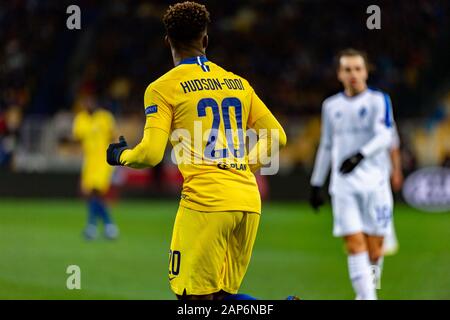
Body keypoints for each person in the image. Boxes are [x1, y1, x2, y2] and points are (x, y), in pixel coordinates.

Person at [106, 2, 291, 300]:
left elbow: (151, 154)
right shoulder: (237, 83)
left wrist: (120, 156)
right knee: (216, 295)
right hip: (248, 201)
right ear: (205, 40)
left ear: (167, 41)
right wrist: (242, 166)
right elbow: (277, 137)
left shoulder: (163, 88)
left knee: (192, 298)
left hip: (206, 201)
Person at [309, 49, 394, 300]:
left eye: (358, 68)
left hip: (376, 184)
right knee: (354, 244)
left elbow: (385, 135)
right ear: (339, 74)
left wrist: (360, 155)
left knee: (375, 250)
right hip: (343, 185)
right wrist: (316, 184)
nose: (353, 74)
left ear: (366, 72)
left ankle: (365, 294)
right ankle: (368, 297)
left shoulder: (379, 100)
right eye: (347, 69)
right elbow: (326, 145)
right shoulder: (331, 105)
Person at [73, 95, 119, 240]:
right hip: (89, 162)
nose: (88, 103)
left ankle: (94, 226)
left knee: (96, 192)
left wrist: (116, 156)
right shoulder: (80, 119)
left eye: (90, 100)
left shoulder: (105, 117)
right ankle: (107, 226)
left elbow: (113, 137)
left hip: (103, 161)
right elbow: (78, 139)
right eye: (85, 100)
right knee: (90, 195)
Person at [383, 124, 403, 255]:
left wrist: (396, 170)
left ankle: (386, 238)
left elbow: (393, 147)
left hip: (380, 171)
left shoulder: (386, 119)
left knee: (383, 205)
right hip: (357, 174)